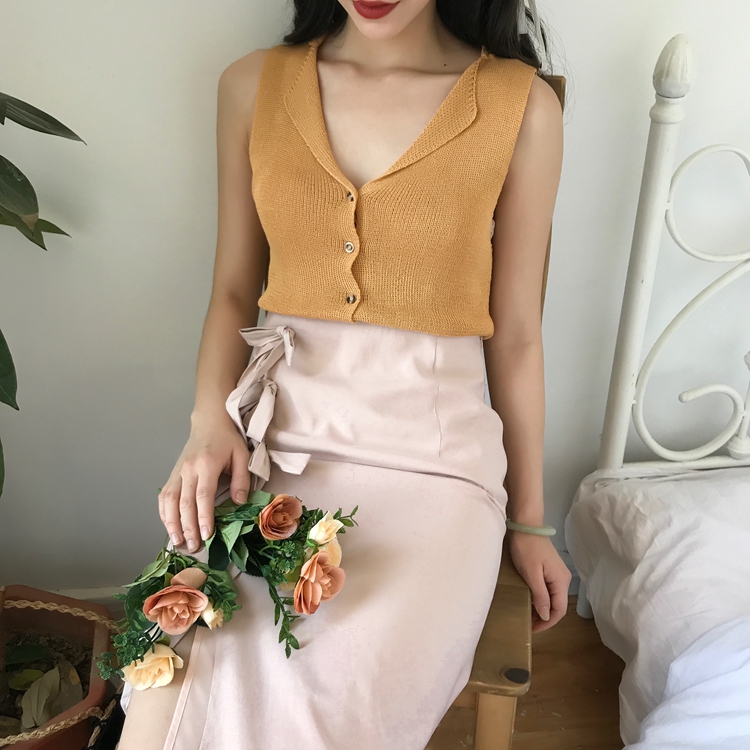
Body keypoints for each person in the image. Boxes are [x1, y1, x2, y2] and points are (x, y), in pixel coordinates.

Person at [118, 0, 570, 747]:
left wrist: (529, 520)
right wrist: (208, 424)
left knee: (330, 708)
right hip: (277, 449)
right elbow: (233, 287)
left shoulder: (521, 107)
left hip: (436, 467)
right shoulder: (252, 85)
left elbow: (517, 337)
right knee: (174, 683)